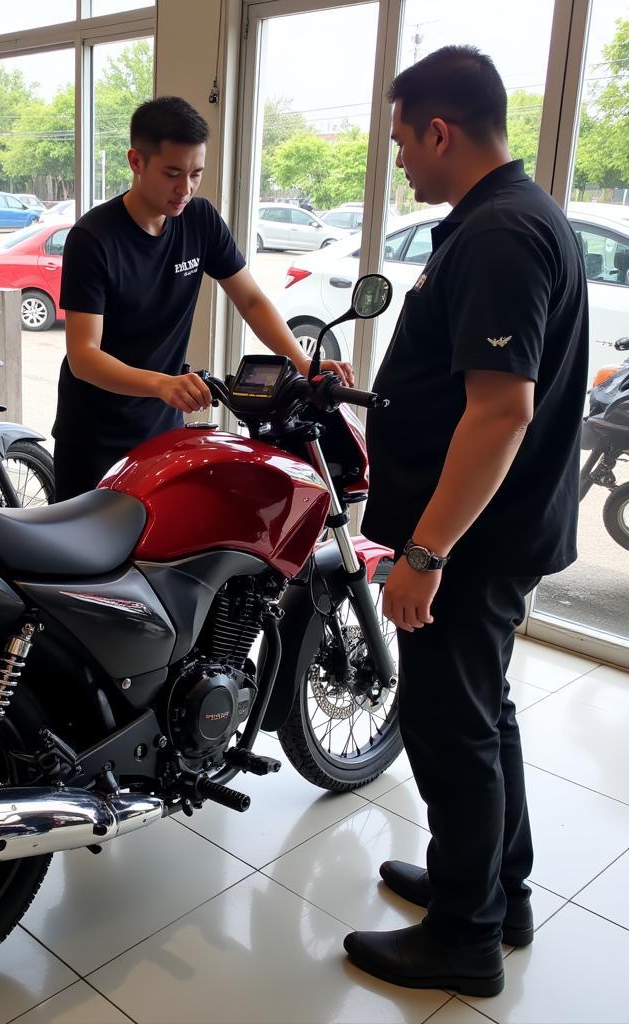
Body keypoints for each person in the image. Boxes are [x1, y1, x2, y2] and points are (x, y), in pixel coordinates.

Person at [342, 46, 588, 996]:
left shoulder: (496, 236)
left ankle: (463, 939)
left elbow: (500, 411)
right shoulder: (518, 216)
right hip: (499, 530)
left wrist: (425, 553)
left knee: (450, 727)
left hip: (471, 541)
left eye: (403, 139)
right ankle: (494, 891)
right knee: (486, 715)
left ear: (440, 130)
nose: (400, 158)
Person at [54, 96, 354, 499]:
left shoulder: (200, 219)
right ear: (136, 161)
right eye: (172, 173)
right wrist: (163, 384)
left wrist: (304, 363)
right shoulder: (94, 239)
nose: (185, 188)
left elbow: (250, 300)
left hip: (163, 429)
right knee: (85, 557)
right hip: (94, 435)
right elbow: (84, 356)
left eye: (196, 173)